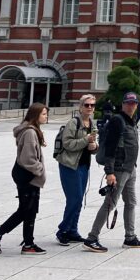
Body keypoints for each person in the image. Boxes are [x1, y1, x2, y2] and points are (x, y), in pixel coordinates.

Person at [82, 92, 140, 253]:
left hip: (130, 168)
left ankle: (130, 237)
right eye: (128, 103)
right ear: (123, 104)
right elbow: (110, 148)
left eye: (134, 103)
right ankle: (92, 238)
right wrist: (109, 172)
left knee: (131, 202)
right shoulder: (117, 121)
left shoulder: (131, 121)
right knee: (110, 203)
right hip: (118, 169)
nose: (131, 106)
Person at [0, 103, 48, 255]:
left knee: (30, 210)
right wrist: (40, 170)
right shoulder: (30, 133)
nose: (46, 116)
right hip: (28, 176)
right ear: (35, 116)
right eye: (44, 114)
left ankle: (28, 243)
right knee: (25, 210)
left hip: (27, 176)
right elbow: (27, 158)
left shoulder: (32, 131)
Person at [56, 94, 98, 245]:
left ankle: (73, 230)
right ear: (80, 107)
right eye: (86, 105)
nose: (90, 107)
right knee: (75, 199)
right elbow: (67, 144)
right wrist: (85, 140)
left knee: (78, 200)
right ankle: (63, 230)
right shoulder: (73, 123)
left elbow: (92, 146)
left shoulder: (92, 124)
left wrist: (94, 147)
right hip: (69, 165)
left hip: (83, 165)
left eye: (92, 105)